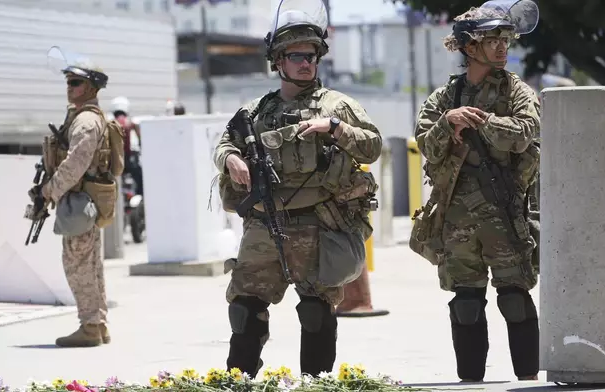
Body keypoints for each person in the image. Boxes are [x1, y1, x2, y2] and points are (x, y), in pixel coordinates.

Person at [213, 0, 382, 379]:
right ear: (278, 61)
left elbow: (372, 145)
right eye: (296, 56)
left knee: (316, 310)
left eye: (311, 55)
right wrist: (230, 160)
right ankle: (238, 381)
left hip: (318, 222)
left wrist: (335, 128)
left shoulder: (338, 105)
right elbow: (225, 142)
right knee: (244, 309)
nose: (306, 63)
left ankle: (316, 385)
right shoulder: (256, 111)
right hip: (264, 223)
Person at [413, 0, 542, 382]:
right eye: (492, 40)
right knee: (465, 305)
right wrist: (447, 122)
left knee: (515, 300)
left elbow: (524, 134)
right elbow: (426, 144)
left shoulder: (517, 91)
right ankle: (470, 384)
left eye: (506, 39)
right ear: (469, 47)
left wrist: (482, 121)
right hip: (457, 219)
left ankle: (529, 382)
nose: (502, 47)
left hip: (505, 213)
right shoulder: (444, 99)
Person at [30, 47, 123, 347]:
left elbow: (75, 163)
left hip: (80, 201)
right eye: (68, 82)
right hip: (84, 200)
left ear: (92, 87)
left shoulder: (85, 121)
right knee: (91, 263)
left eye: (75, 83)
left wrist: (49, 190)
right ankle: (99, 324)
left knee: (77, 264)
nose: (69, 88)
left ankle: (90, 326)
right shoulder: (86, 117)